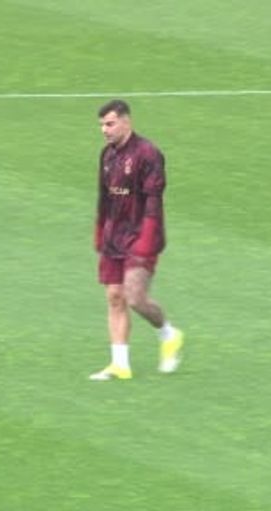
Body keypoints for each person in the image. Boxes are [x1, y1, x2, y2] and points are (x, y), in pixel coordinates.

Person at [90, 99, 184, 381]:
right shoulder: (107, 155)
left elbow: (154, 201)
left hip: (142, 235)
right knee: (114, 296)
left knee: (135, 297)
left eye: (110, 124)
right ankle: (120, 364)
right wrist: (100, 229)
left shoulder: (148, 154)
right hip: (114, 235)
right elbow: (104, 196)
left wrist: (147, 239)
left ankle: (168, 334)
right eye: (102, 125)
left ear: (126, 121)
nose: (104, 130)